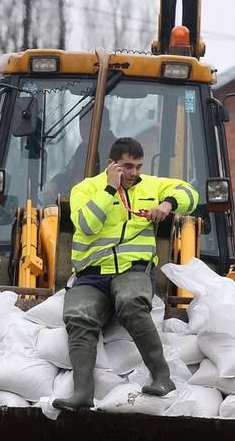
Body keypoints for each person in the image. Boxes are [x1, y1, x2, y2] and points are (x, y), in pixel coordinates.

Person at [53, 137, 199, 410]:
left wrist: (168, 204)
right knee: (78, 316)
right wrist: (110, 189)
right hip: (92, 275)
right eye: (127, 167)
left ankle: (162, 377)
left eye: (138, 167)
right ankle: (82, 393)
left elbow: (190, 194)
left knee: (131, 302)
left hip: (132, 269)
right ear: (112, 165)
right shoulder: (85, 189)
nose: (134, 173)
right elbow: (86, 225)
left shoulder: (151, 186)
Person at [41, 109, 117, 204]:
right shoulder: (83, 149)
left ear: (104, 124)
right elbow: (68, 170)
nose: (84, 129)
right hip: (73, 205)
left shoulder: (115, 150)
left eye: (89, 124)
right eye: (82, 124)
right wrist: (55, 183)